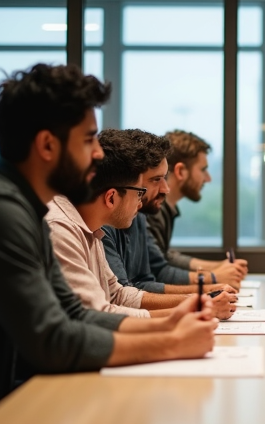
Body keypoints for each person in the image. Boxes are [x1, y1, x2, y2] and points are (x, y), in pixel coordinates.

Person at [0, 63, 218, 424]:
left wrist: (169, 323)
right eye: (88, 140)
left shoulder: (23, 207)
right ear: (47, 145)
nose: (98, 154)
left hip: (2, 405)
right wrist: (172, 344)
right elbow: (53, 341)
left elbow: (77, 314)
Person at [46, 127, 235, 320]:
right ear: (111, 197)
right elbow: (96, 316)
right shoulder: (60, 228)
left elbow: (118, 294)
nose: (140, 201)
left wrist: (196, 302)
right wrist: (193, 310)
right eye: (139, 192)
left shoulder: (91, 229)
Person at [101, 129, 238, 316]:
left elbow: (140, 282)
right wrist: (201, 297)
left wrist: (204, 294)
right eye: (157, 179)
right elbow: (123, 295)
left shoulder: (138, 213)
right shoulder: (102, 222)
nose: (166, 188)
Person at [144, 129, 248, 288]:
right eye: (203, 169)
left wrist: (218, 267)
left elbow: (164, 257)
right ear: (180, 171)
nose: (208, 178)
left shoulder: (165, 209)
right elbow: (158, 270)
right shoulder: (152, 210)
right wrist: (214, 277)